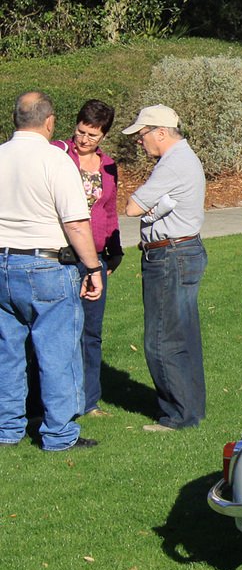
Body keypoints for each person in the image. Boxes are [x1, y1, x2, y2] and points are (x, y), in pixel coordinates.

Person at [0, 91, 105, 452]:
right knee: (58, 351)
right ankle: (59, 434)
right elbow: (76, 223)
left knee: (7, 352)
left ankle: (7, 428)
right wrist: (92, 267)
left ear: (15, 119)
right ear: (49, 122)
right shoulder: (56, 161)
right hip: (45, 264)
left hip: (2, 263)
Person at [123, 104, 208, 432]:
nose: (140, 141)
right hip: (184, 251)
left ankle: (177, 416)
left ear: (160, 132)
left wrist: (150, 211)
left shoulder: (172, 164)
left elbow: (132, 208)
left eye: (142, 134)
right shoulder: (184, 157)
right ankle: (191, 410)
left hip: (169, 256)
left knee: (162, 339)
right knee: (183, 334)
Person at [52, 99, 123, 417]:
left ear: (103, 136)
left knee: (91, 332)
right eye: (81, 131)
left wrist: (113, 252)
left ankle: (89, 400)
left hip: (95, 257)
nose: (83, 140)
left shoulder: (108, 166)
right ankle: (47, 402)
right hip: (59, 254)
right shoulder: (57, 153)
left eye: (92, 136)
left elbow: (109, 210)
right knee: (56, 331)